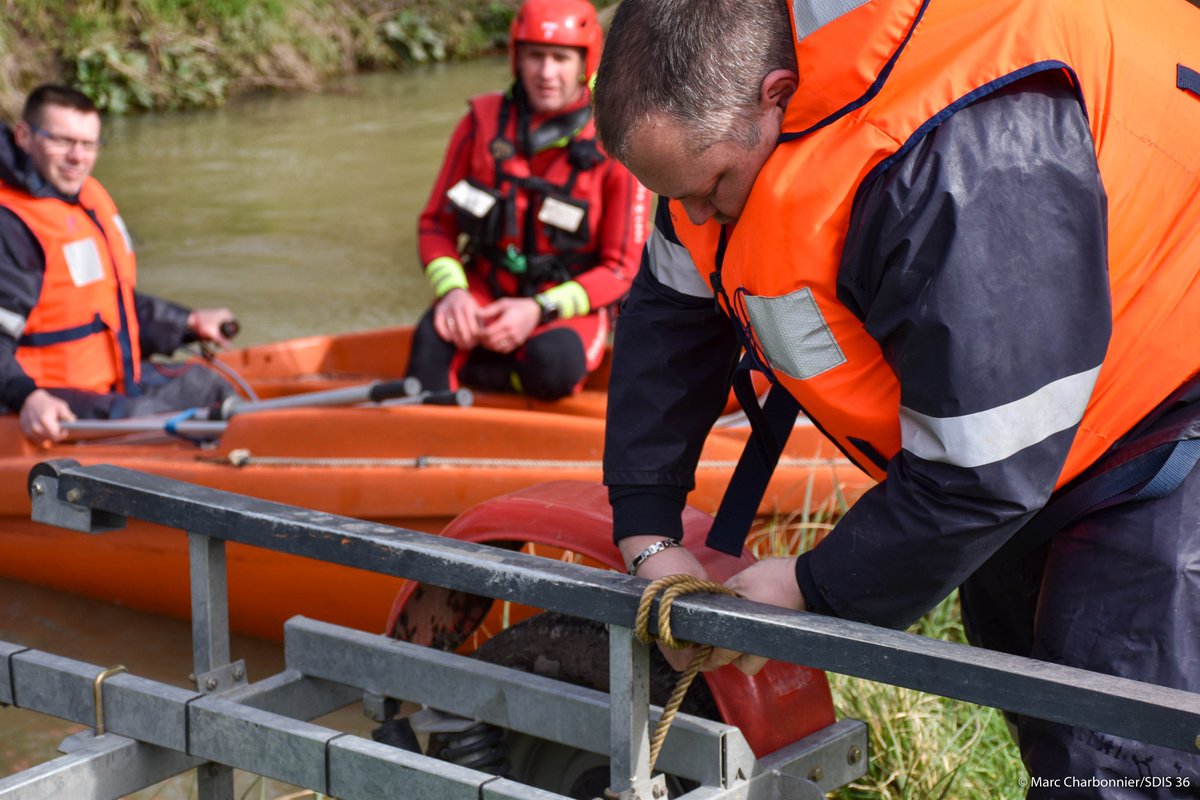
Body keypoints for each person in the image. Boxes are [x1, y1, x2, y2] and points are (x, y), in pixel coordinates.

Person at [594, 0, 1200, 795]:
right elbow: (671, 317)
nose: (695, 214)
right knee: (1043, 711)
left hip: (1160, 413)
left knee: (1120, 766)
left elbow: (984, 470)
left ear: (776, 93)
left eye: (709, 186)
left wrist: (813, 586)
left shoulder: (958, 165)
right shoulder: (708, 142)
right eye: (673, 195)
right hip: (1019, 445)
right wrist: (646, 527)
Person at [405, 0, 650, 400]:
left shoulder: (616, 145)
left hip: (564, 308)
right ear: (516, 58)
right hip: (484, 292)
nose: (546, 73)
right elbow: (436, 226)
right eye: (536, 56)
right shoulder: (478, 125)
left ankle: (494, 381)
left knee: (552, 367)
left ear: (585, 62)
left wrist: (538, 309)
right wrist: (454, 293)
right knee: (428, 348)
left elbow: (622, 269)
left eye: (560, 58)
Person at [0, 84, 237, 446]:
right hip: (46, 400)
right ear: (24, 136)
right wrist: (26, 396)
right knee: (193, 416)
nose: (77, 157)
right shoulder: (11, 225)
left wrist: (186, 322)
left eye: (88, 144)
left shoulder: (86, 198)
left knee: (206, 386)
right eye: (62, 141)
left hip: (109, 382)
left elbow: (105, 304)